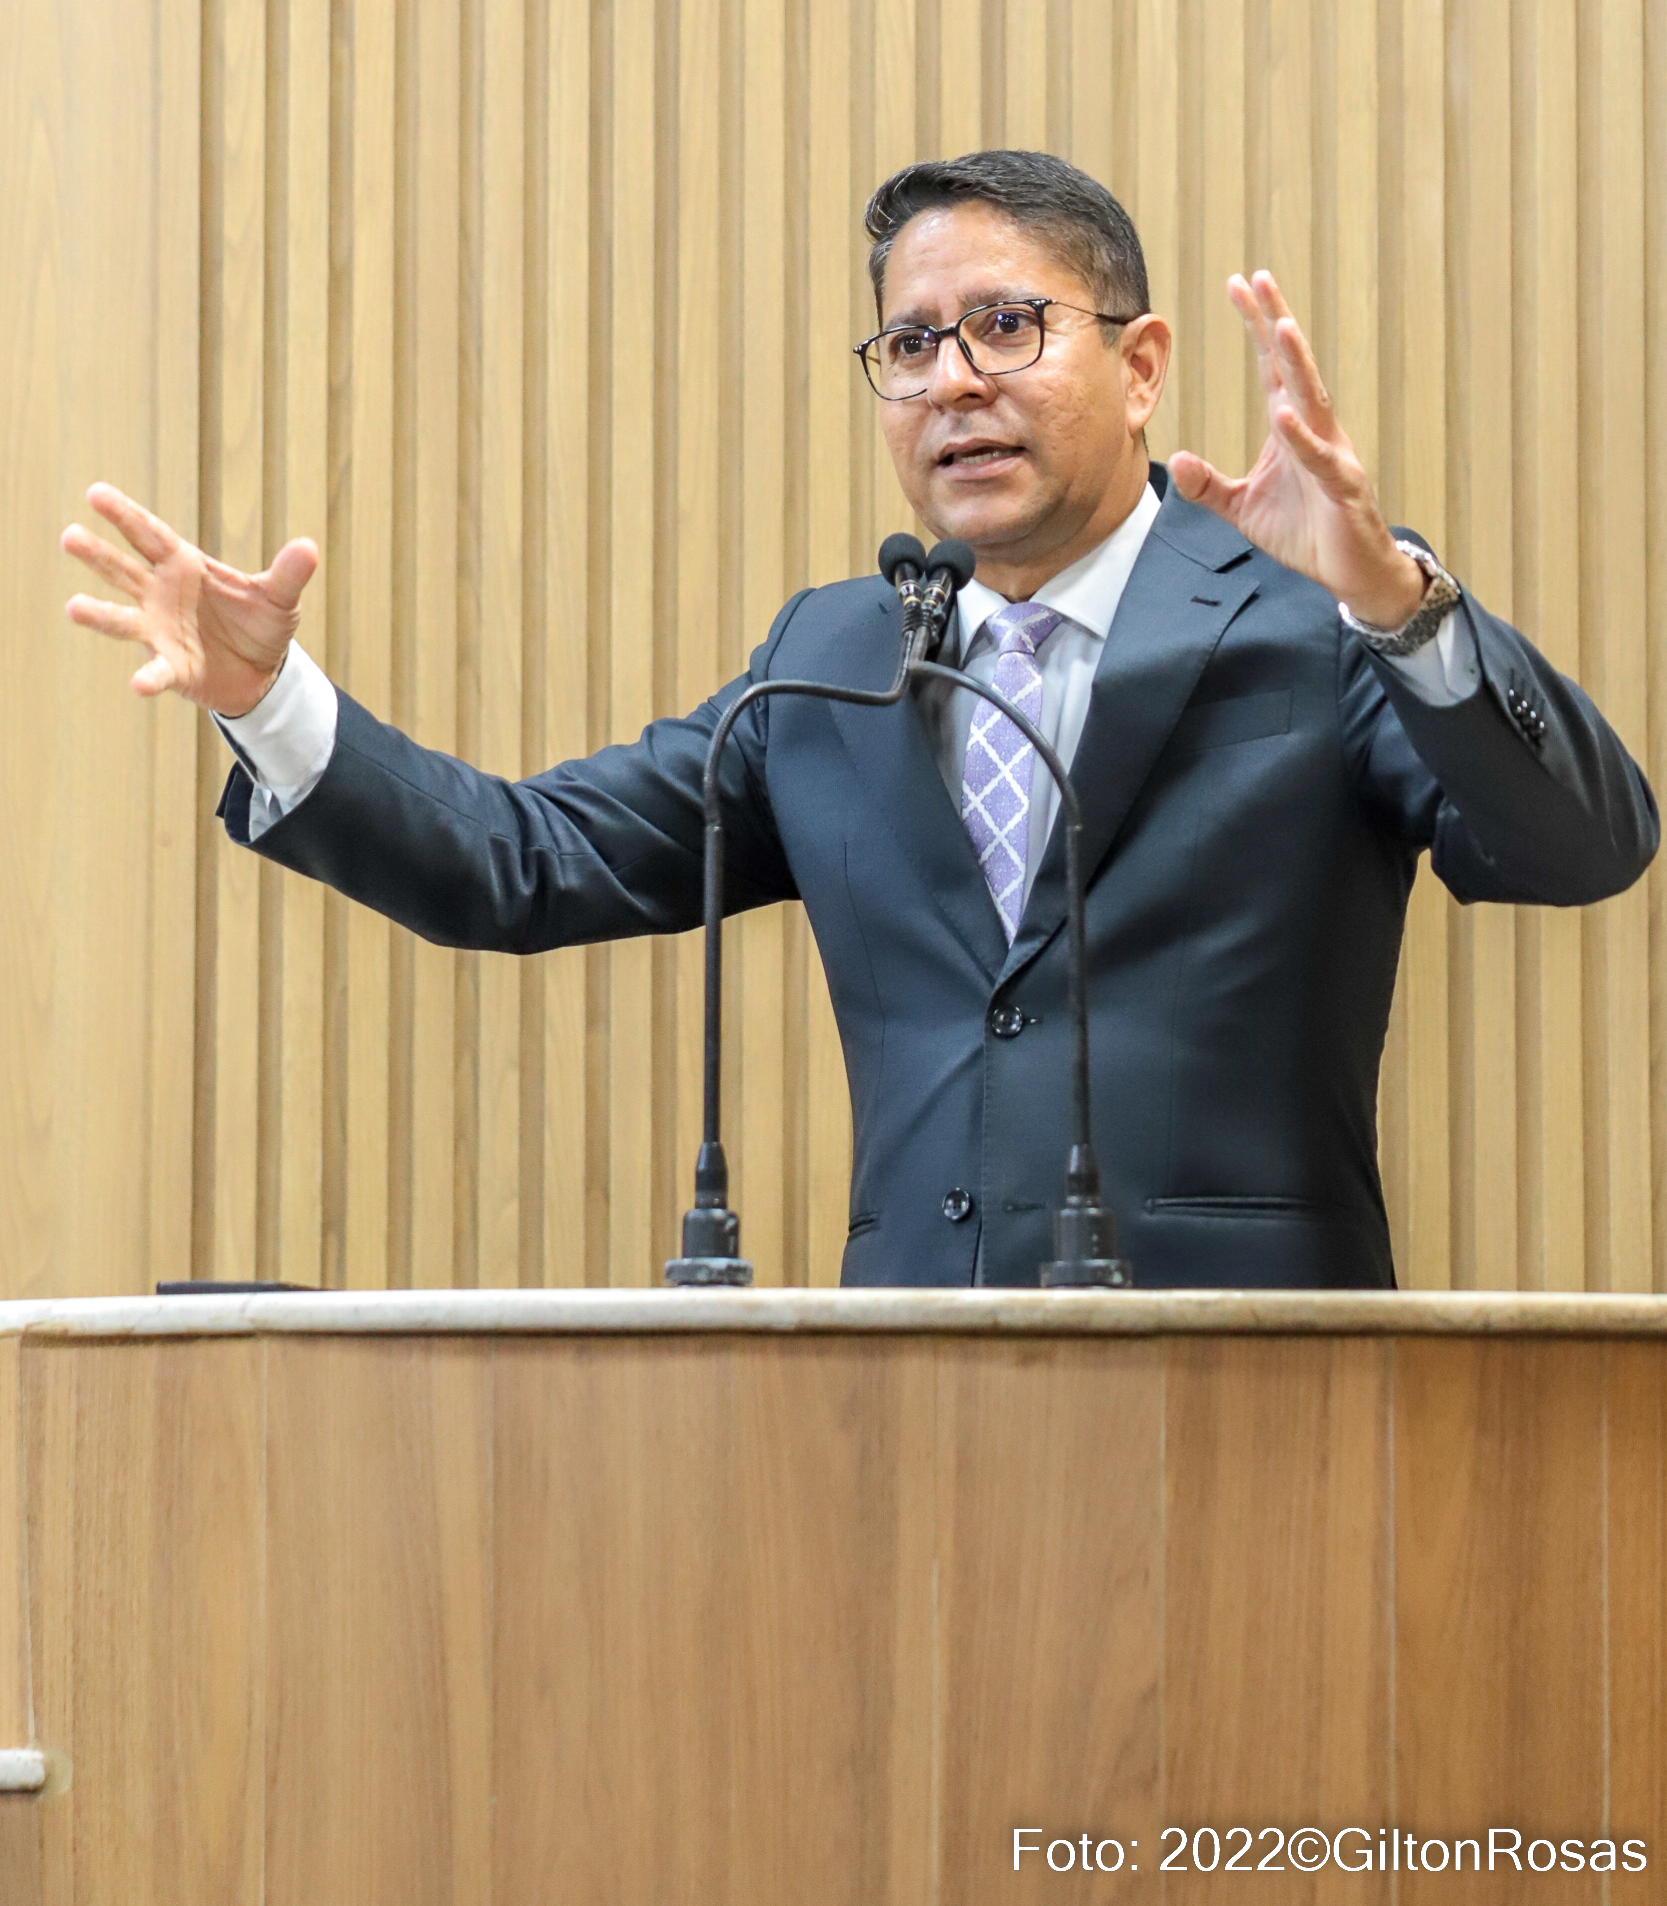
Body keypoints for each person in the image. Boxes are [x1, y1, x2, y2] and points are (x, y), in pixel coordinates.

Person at [64, 151, 1657, 1288]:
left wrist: (1396, 602)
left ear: (1142, 365)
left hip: (1252, 1390)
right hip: (900, 1403)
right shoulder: (834, 660)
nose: (953, 382)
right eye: (910, 345)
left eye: (1009, 327)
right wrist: (271, 699)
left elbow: (1581, 848)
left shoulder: (1313, 617)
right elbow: (523, 862)